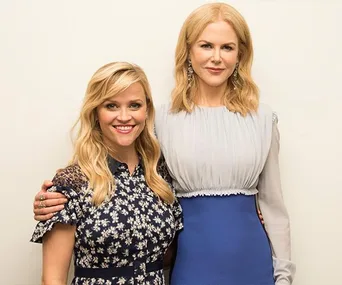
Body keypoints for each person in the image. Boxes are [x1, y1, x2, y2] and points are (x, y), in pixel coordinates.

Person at [32, 3, 295, 285]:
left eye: (227, 47)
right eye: (206, 45)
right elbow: (130, 184)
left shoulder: (264, 119)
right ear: (188, 51)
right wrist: (54, 202)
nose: (216, 57)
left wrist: (284, 274)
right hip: (191, 263)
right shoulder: (160, 121)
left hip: (251, 259)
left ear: (240, 54)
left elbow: (273, 206)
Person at [31, 62, 183, 285]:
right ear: (95, 112)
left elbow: (167, 254)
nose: (124, 116)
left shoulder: (159, 174)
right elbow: (52, 279)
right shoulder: (72, 182)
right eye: (111, 106)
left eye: (134, 105)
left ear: (147, 110)